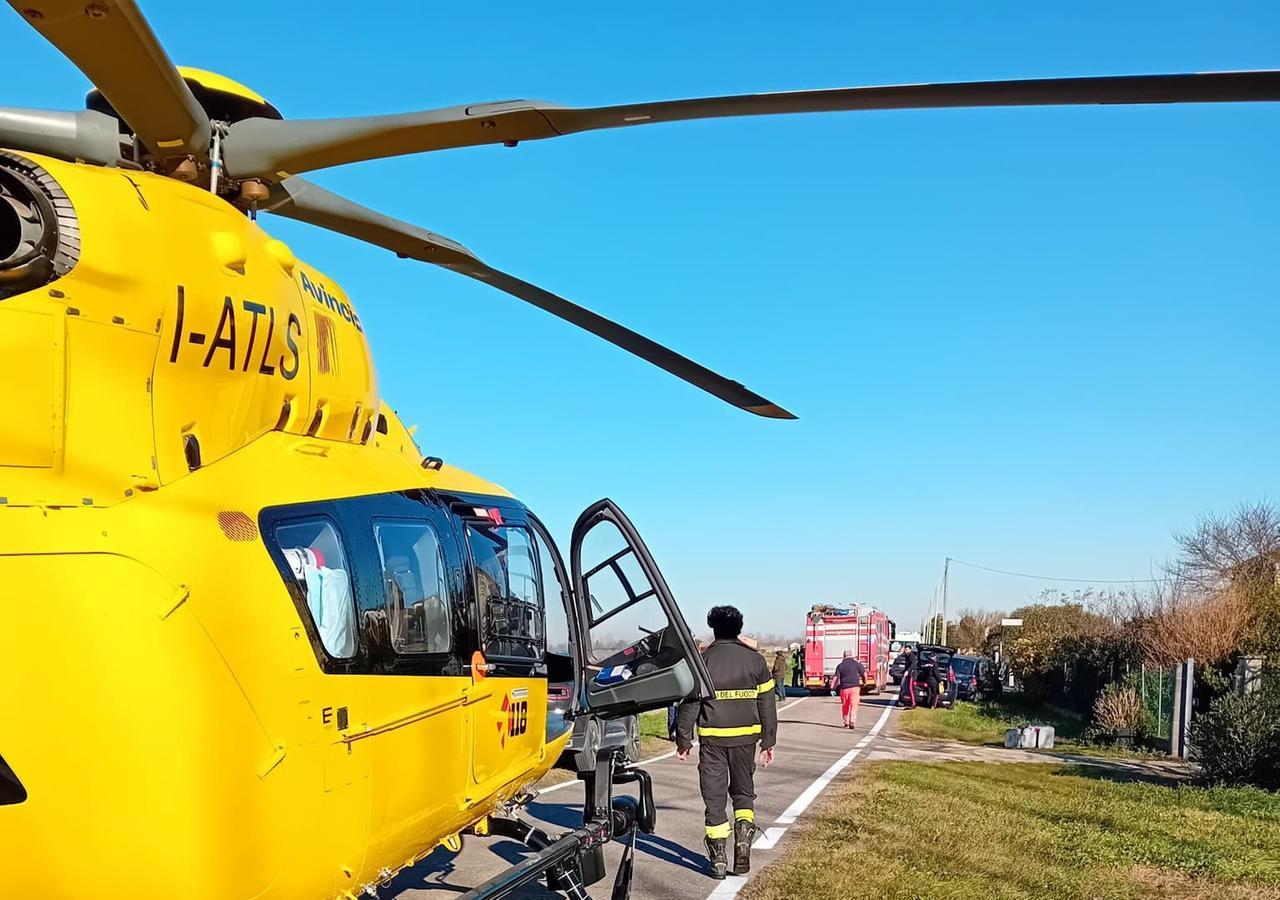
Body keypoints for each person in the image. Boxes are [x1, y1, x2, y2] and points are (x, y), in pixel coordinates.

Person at [676, 606, 778, 880]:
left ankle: (719, 859)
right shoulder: (755, 661)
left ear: (713, 628)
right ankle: (743, 838)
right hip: (747, 738)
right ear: (739, 628)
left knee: (715, 797)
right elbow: (767, 704)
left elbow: (691, 703)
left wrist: (684, 738)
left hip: (713, 741)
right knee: (743, 793)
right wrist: (768, 740)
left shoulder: (703, 661)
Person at [831, 649, 866, 728]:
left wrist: (832, 688)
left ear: (844, 656)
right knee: (854, 705)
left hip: (844, 689)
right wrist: (864, 681)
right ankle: (852, 721)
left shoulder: (840, 665)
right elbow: (864, 674)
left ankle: (846, 721)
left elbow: (836, 678)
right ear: (852, 656)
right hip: (855, 688)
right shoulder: (857, 664)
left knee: (845, 705)